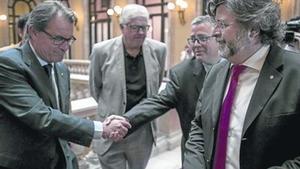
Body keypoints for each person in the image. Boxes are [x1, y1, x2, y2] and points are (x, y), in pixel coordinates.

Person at [0, 1, 130, 169]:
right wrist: (101, 128)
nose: (65, 47)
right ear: (33, 32)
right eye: (58, 39)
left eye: (70, 39)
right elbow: (42, 117)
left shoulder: (61, 68)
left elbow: (63, 116)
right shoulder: (7, 64)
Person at [183, 0, 300, 169]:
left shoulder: (295, 73)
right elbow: (200, 126)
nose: (215, 32)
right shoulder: (217, 71)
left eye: (222, 24)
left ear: (253, 29)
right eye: (215, 23)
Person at [121, 15, 220, 164]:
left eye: (202, 38)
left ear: (218, 37)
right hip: (195, 156)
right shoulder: (182, 74)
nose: (196, 44)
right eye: (193, 39)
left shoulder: (236, 67)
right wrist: (125, 120)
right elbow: (158, 101)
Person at [89, 4, 166, 169]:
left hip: (141, 131)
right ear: (122, 27)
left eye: (144, 27)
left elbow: (156, 84)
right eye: (134, 27)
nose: (141, 32)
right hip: (111, 130)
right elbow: (95, 89)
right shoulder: (101, 51)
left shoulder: (159, 50)